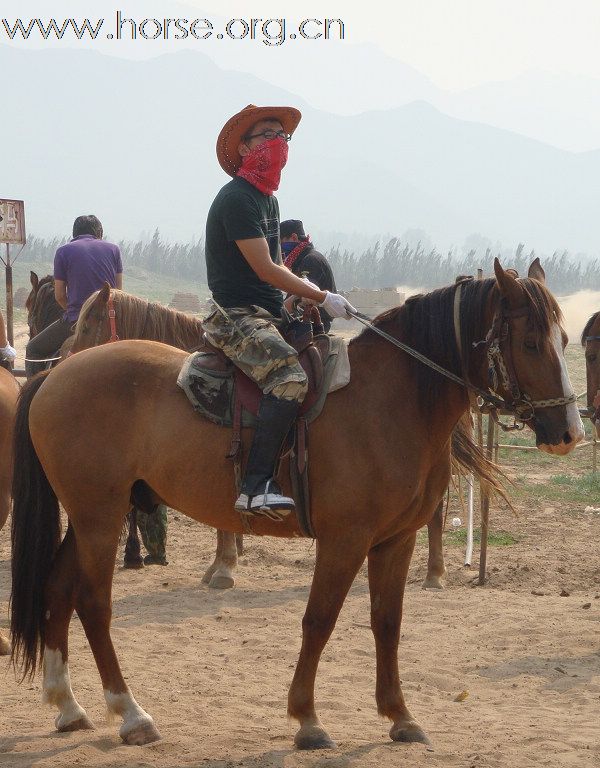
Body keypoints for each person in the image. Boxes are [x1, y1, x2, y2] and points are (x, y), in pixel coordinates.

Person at [203, 104, 355, 517]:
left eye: (282, 136)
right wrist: (322, 296)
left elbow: (277, 267)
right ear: (245, 147)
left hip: (267, 311)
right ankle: (255, 486)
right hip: (237, 316)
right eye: (267, 135)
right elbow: (265, 268)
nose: (277, 144)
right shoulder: (236, 199)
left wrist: (299, 295)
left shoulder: (268, 201)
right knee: (288, 378)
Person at [25, 215, 123, 377]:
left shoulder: (63, 252)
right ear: (99, 233)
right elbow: (119, 292)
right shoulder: (114, 250)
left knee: (33, 349)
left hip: (77, 320)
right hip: (110, 322)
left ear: (74, 234)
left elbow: (60, 296)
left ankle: (31, 400)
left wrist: (78, 313)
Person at [280, 219, 337, 332]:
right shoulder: (300, 260)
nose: (279, 247)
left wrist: (277, 312)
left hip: (313, 323)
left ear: (294, 238)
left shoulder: (310, 261)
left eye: (280, 242)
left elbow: (302, 298)